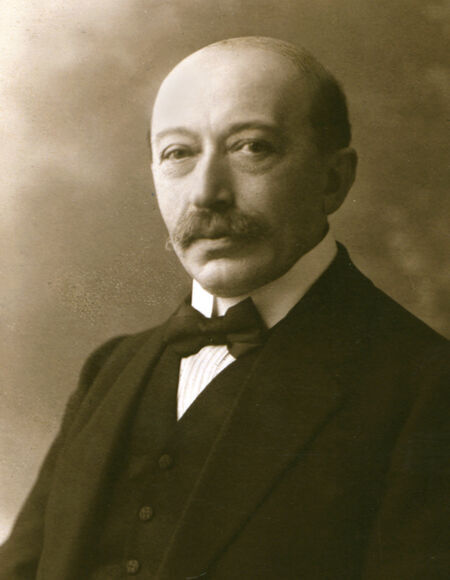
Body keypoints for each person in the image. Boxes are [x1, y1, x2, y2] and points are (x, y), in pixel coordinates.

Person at [1, 36, 448, 579]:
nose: (207, 193)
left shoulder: (425, 387)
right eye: (178, 153)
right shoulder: (108, 370)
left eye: (252, 147)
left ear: (333, 180)